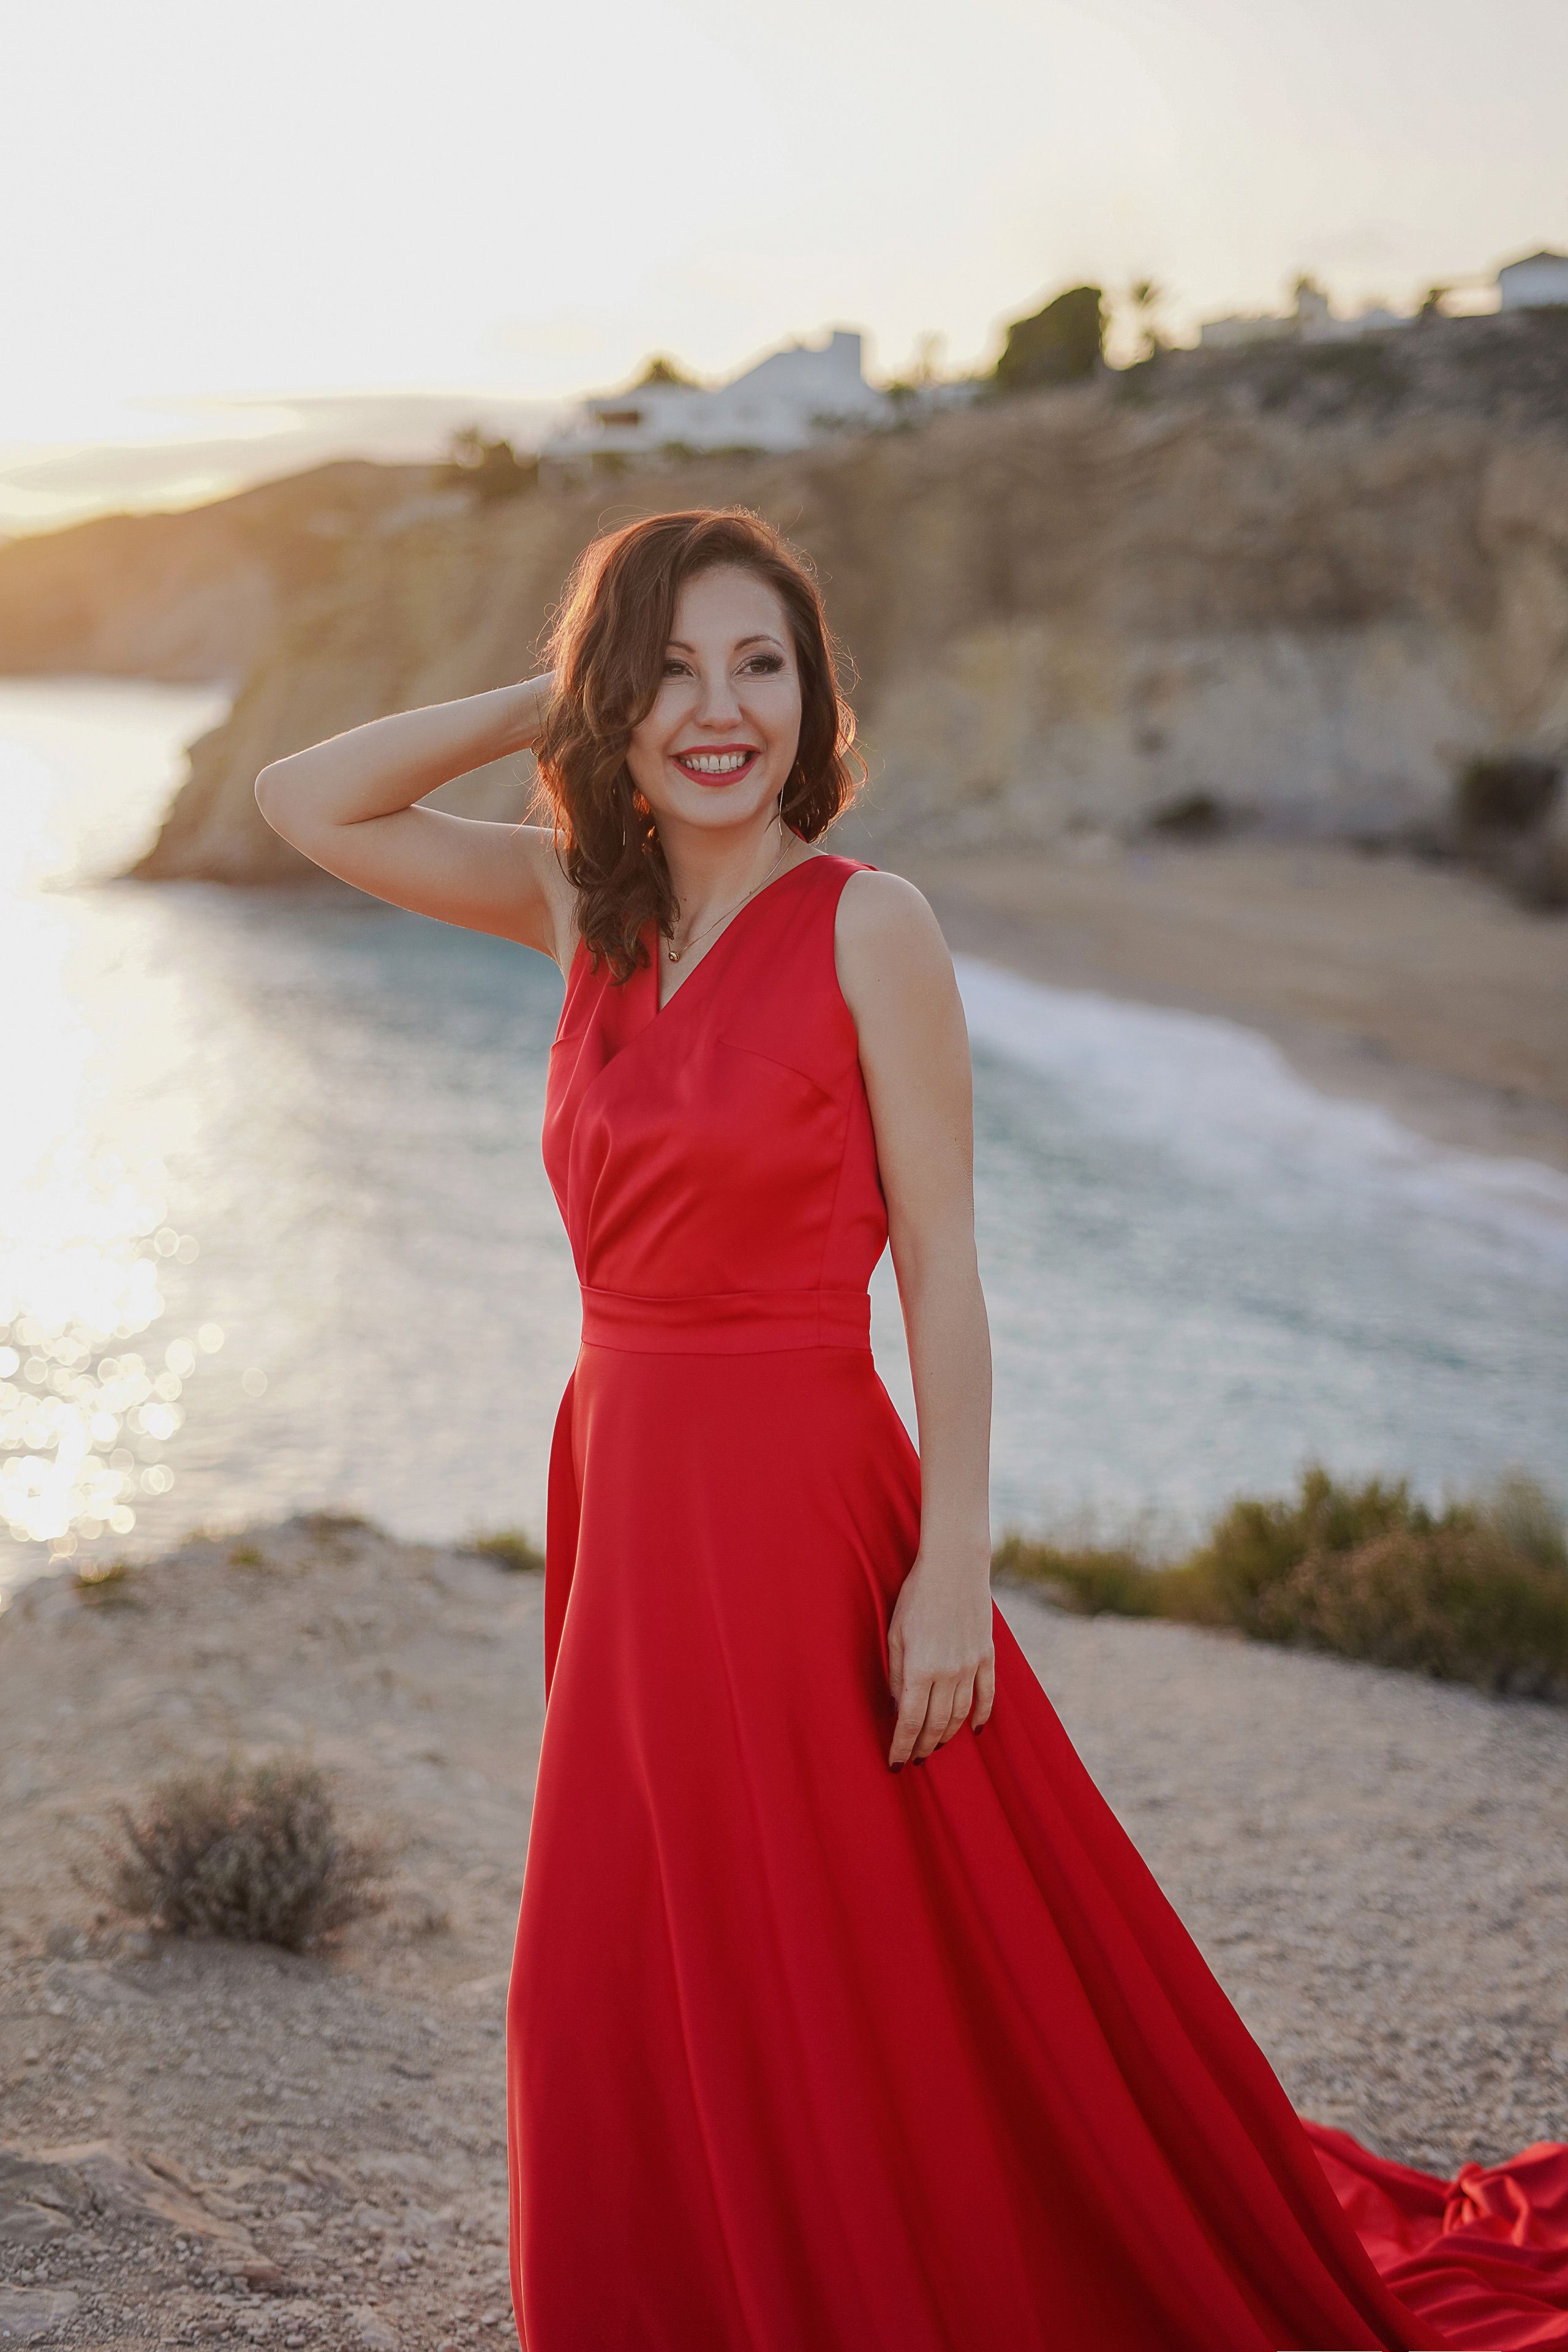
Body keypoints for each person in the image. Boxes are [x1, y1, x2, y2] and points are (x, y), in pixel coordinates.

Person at [257, 508, 1567, 2352]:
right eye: (677, 670)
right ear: (621, 700)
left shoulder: (876, 926)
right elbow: (305, 798)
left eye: (762, 666)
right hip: (624, 1494)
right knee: (613, 1969)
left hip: (804, 1501)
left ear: (815, 695)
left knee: (846, 1956)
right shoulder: (583, 902)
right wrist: (551, 694)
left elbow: (944, 1274)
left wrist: (954, 1569)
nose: (722, 711)